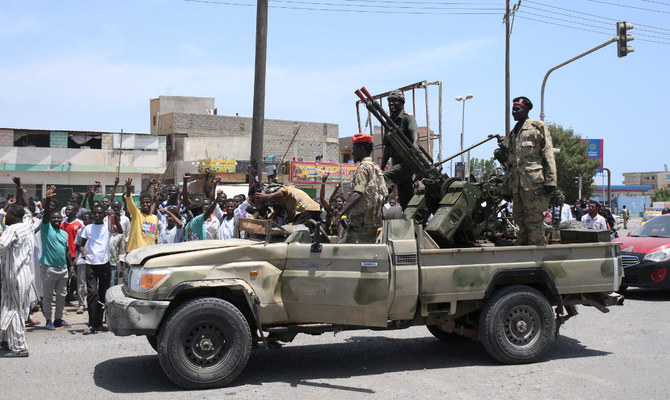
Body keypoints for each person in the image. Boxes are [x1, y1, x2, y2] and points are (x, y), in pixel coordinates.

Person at [504, 96, 557, 245]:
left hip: (534, 184)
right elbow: (510, 163)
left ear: (525, 110)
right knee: (520, 222)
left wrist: (551, 180)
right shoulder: (513, 132)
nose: (513, 112)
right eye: (513, 109)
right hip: (517, 185)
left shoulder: (537, 127)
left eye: (517, 109)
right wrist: (506, 187)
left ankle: (537, 256)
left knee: (534, 222)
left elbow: (548, 153)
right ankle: (523, 255)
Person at [335, 133, 388, 243]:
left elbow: (358, 193)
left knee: (345, 253)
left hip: (360, 225)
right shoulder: (374, 167)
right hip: (373, 223)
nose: (352, 152)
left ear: (362, 148)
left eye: (354, 148)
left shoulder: (362, 168)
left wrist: (340, 214)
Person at [79, 205, 122, 335]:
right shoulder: (88, 228)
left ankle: (99, 322)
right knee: (92, 293)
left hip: (104, 264)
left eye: (100, 213)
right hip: (91, 264)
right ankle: (92, 323)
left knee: (102, 295)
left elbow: (120, 231)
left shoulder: (108, 227)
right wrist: (84, 252)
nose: (97, 215)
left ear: (104, 215)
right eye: (95, 213)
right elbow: (81, 245)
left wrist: (114, 218)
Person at [0, 204, 35, 357]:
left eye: (8, 214)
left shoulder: (12, 229)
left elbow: (1, 245)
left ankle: (20, 347)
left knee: (13, 309)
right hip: (24, 275)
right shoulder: (27, 226)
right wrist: (20, 188)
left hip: (14, 275)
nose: (5, 216)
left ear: (14, 216)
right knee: (12, 307)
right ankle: (9, 341)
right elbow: (27, 212)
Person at [40, 186, 72, 330]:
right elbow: (46, 215)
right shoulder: (46, 228)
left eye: (59, 218)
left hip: (63, 269)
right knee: (48, 296)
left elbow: (66, 252)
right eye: (54, 218)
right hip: (49, 268)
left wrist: (71, 268)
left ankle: (58, 319)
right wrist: (48, 200)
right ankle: (48, 320)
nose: (56, 219)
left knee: (61, 296)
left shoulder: (64, 233)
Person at [380, 89, 419, 210]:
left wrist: (415, 144)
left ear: (402, 102)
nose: (391, 104)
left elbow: (414, 132)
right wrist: (382, 167)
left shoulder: (407, 118)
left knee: (384, 179)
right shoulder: (389, 122)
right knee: (405, 197)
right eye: (389, 102)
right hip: (398, 163)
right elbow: (387, 147)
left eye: (394, 101)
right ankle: (409, 219)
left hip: (408, 162)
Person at [253, 185, 321, 226]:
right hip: (314, 209)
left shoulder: (271, 190)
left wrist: (267, 196)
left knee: (296, 234)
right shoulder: (284, 202)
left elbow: (285, 191)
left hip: (306, 209)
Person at [123, 178, 158, 253]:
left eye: (147, 202)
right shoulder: (136, 214)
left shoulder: (155, 218)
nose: (145, 204)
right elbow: (129, 200)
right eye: (143, 203)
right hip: (134, 252)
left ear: (151, 203)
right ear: (140, 203)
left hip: (149, 253)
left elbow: (155, 238)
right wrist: (128, 189)